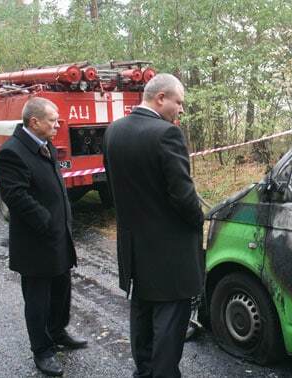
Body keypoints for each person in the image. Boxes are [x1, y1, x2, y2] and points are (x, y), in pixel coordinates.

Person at [103, 74, 204, 377]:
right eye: (179, 102)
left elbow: (113, 188)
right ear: (161, 98)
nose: (181, 110)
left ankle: (143, 371)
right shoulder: (166, 135)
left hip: (134, 249)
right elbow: (183, 197)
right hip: (170, 254)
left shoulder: (113, 132)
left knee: (142, 314)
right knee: (170, 323)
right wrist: (200, 219)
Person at [0, 97, 87, 377]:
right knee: (38, 300)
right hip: (36, 242)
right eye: (53, 120)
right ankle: (42, 351)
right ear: (34, 122)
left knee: (62, 289)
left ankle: (58, 332)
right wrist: (46, 222)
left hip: (59, 236)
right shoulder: (12, 152)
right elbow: (15, 195)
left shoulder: (45, 145)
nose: (58, 125)